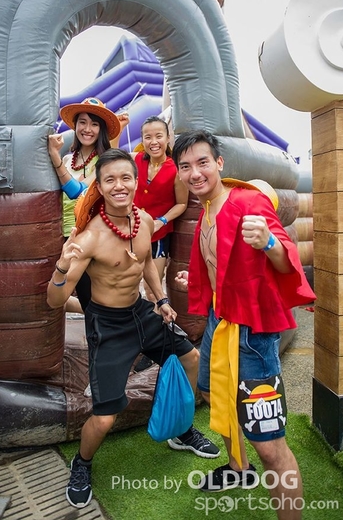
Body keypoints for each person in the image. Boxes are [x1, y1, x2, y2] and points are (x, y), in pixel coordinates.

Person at [46, 148, 220, 509]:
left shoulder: (144, 221)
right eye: (110, 179)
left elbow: (146, 265)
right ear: (100, 186)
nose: (119, 185)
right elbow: (54, 300)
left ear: (136, 182)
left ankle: (181, 429)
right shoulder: (89, 238)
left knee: (191, 358)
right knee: (105, 418)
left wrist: (161, 299)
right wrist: (62, 268)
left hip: (142, 313)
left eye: (125, 177)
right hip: (108, 326)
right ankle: (82, 463)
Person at [172, 130, 315, 519]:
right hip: (219, 321)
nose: (195, 172)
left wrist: (268, 241)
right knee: (212, 393)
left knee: (270, 447)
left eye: (202, 162)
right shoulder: (205, 212)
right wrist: (197, 280)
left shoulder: (248, 201)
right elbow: (223, 265)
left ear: (219, 163)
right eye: (186, 166)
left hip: (253, 333)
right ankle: (239, 469)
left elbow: (286, 259)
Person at [48, 97, 128, 312]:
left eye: (94, 124)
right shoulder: (68, 159)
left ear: (101, 130)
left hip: (93, 236)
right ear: (75, 126)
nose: (87, 129)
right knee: (82, 297)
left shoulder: (105, 161)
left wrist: (54, 156)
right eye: (82, 122)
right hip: (66, 235)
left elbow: (79, 192)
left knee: (95, 297)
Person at [132, 116, 188, 301]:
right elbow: (112, 155)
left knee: (152, 290)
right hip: (132, 231)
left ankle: (157, 318)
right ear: (142, 140)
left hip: (158, 236)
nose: (153, 142)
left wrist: (161, 221)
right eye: (148, 137)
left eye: (158, 136)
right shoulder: (135, 160)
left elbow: (182, 204)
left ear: (168, 138)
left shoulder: (176, 170)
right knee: (127, 284)